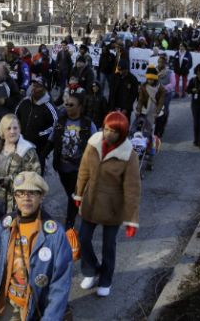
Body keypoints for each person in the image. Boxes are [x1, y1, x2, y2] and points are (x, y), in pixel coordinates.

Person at [0, 172, 73, 321]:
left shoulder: (55, 234)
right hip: (6, 305)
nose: (26, 197)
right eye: (21, 193)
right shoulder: (3, 227)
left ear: (41, 196)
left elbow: (60, 284)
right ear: (15, 197)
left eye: (32, 193)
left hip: (35, 309)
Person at [73, 111, 141, 297]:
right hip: (91, 201)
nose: (108, 133)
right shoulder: (93, 144)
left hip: (113, 206)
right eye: (107, 129)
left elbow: (132, 188)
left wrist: (131, 218)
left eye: (114, 131)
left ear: (122, 133)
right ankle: (91, 270)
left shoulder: (129, 156)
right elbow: (84, 170)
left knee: (108, 246)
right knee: (83, 238)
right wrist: (78, 195)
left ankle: (106, 278)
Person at [42, 89, 97, 229]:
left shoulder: (87, 124)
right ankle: (79, 203)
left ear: (80, 107)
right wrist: (41, 156)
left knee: (73, 194)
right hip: (62, 167)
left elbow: (96, 145)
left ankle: (70, 223)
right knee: (70, 193)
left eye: (71, 105)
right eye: (66, 104)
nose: (67, 106)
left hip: (79, 167)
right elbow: (51, 140)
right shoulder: (60, 122)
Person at [0, 114, 41, 215]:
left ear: (19, 129)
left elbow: (34, 179)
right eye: (8, 128)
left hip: (14, 204)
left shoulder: (27, 151)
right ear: (2, 131)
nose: (12, 131)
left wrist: (11, 180)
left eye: (15, 128)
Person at [14, 76, 59, 173]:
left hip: (37, 151)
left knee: (35, 181)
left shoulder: (49, 108)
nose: (34, 88)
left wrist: (40, 134)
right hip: (20, 147)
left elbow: (55, 127)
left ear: (44, 89)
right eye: (33, 85)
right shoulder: (24, 102)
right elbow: (15, 117)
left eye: (38, 86)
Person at [135, 66, 165, 171]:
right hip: (144, 111)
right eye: (148, 79)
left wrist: (156, 112)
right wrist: (138, 109)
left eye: (151, 79)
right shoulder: (143, 87)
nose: (149, 81)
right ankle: (139, 150)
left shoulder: (161, 88)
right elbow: (140, 99)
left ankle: (150, 155)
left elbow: (161, 102)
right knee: (140, 132)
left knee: (151, 135)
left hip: (156, 113)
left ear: (155, 78)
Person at [107, 59, 139, 125]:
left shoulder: (133, 79)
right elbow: (111, 93)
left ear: (126, 69)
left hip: (125, 109)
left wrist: (126, 108)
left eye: (122, 70)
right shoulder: (115, 77)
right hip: (115, 106)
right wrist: (111, 106)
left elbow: (133, 96)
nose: (120, 72)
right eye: (119, 70)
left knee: (124, 124)